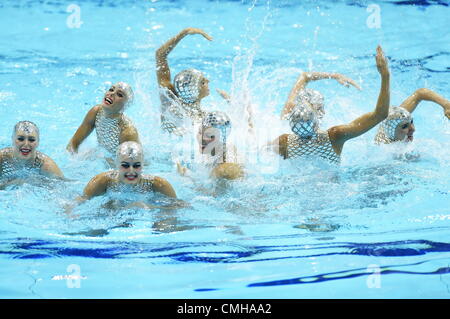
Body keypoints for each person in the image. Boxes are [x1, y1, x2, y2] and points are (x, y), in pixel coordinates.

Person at [269, 46, 390, 164]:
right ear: (320, 114)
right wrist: (385, 75)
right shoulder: (334, 136)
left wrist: (335, 75)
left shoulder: (283, 141)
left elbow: (304, 76)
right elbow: (380, 114)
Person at [75, 142, 177, 208]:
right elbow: (80, 200)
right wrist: (70, 214)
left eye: (136, 166)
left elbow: (179, 206)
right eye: (125, 165)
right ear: (116, 164)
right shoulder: (103, 181)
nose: (131, 171)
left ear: (143, 165)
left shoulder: (158, 184)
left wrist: (148, 207)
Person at [66, 82, 140, 166]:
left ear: (125, 106)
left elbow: (130, 167)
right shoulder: (95, 112)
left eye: (119, 94)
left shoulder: (127, 132)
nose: (111, 94)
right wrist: (71, 163)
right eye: (111, 89)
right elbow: (73, 143)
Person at [156, 27, 212, 136]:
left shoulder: (204, 115)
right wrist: (183, 33)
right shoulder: (171, 103)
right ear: (194, 89)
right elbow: (160, 55)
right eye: (203, 82)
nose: (208, 80)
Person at [177, 111, 244, 180]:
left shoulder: (223, 169)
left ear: (220, 138)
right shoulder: (216, 148)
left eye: (209, 136)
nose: (201, 140)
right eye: (200, 132)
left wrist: (186, 175)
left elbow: (208, 190)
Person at [374, 88, 450, 144]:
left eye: (411, 122)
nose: (413, 129)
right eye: (404, 127)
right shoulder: (383, 150)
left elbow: (420, 94)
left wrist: (446, 104)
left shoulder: (400, 116)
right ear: (391, 133)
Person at [0, 121, 64, 187]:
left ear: (38, 142)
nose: (26, 144)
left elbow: (64, 187)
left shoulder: (46, 166)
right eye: (20, 139)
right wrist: (11, 183)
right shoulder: (2, 157)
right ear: (12, 140)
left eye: (31, 140)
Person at [279, 71, 361, 121]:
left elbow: (304, 76)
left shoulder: (289, 112)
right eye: (320, 109)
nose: (324, 112)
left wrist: (336, 76)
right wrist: (335, 76)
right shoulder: (332, 136)